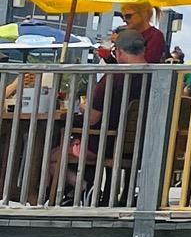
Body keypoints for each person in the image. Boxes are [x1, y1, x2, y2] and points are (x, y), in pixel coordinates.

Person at [47, 30, 150, 202]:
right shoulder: (157, 77)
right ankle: (78, 193)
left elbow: (93, 119)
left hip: (101, 145)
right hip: (139, 145)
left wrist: (81, 110)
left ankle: (83, 187)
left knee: (50, 158)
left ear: (119, 51)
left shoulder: (113, 79)